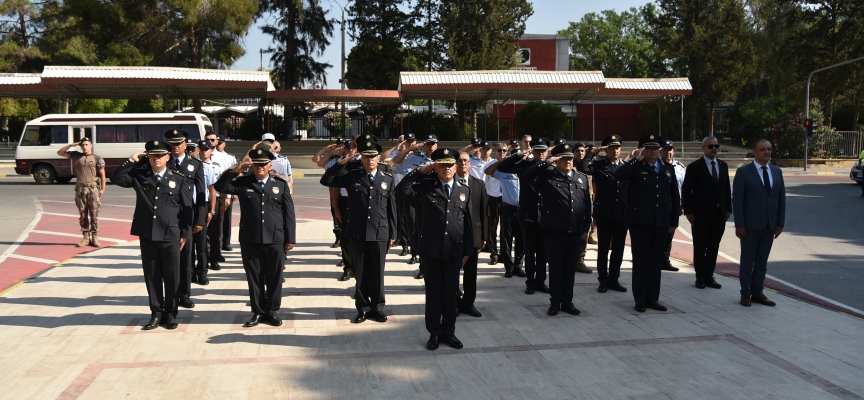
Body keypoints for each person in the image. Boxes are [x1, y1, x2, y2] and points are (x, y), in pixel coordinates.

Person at [111, 140, 193, 330]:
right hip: (147, 233)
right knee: (152, 275)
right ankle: (156, 313)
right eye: (152, 155)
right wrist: (131, 160)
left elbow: (187, 209)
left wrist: (185, 233)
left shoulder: (179, 178)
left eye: (160, 155)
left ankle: (171, 314)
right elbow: (116, 178)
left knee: (172, 276)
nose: (156, 158)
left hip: (171, 234)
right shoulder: (139, 176)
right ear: (147, 157)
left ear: (167, 157)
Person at [397, 148, 473, 351]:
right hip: (431, 250)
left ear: (455, 167)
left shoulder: (464, 190)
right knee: (433, 294)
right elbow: (401, 190)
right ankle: (434, 333)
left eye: (450, 165)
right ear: (436, 167)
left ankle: (449, 332)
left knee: (451, 294)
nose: (446, 168)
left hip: (454, 251)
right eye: (442, 164)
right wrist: (421, 171)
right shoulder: (424, 187)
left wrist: (467, 250)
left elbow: (468, 223)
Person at [214, 148, 296, 327]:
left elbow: (289, 214)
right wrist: (236, 170)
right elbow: (219, 186)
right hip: (250, 238)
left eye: (264, 164)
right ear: (253, 166)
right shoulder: (243, 182)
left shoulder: (280, 184)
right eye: (257, 164)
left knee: (274, 277)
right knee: (254, 277)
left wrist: (290, 238)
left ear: (270, 165)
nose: (260, 167)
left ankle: (272, 311)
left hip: (275, 238)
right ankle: (258, 312)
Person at [321, 140, 396, 323]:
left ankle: (377, 308)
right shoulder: (352, 175)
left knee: (378, 273)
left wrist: (393, 234)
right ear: (361, 158)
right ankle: (362, 308)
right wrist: (342, 162)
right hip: (357, 231)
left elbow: (392, 209)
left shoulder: (387, 178)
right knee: (361, 272)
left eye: (373, 156)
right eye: (367, 156)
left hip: (380, 232)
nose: (370, 160)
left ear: (379, 158)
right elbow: (326, 180)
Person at [523, 143, 591, 315]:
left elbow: (587, 205)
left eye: (569, 158)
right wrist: (547, 162)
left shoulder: (581, 178)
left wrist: (585, 227)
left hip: (575, 231)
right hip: (554, 231)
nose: (567, 161)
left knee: (569, 269)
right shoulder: (547, 175)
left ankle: (567, 301)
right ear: (556, 159)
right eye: (563, 158)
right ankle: (555, 302)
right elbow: (526, 176)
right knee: (555, 268)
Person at [615, 135, 680, 313]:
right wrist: (635, 159)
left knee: (655, 262)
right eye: (648, 148)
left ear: (660, 150)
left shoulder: (667, 169)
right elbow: (619, 175)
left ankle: (653, 298)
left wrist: (674, 220)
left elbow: (674, 196)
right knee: (641, 262)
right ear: (643, 150)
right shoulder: (637, 167)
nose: (653, 151)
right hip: (640, 223)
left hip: (661, 222)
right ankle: (640, 299)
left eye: (656, 148)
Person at [733, 139, 785, 307]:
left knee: (762, 262)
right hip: (749, 226)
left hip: (769, 226)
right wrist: (739, 224)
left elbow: (781, 199)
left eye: (769, 149)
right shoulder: (744, 173)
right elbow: (738, 201)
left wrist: (780, 223)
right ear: (754, 152)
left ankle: (758, 292)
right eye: (762, 149)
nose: (767, 152)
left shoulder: (777, 172)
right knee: (748, 261)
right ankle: (745, 293)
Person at [496, 137, 552, 294]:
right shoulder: (525, 166)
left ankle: (541, 281)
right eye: (537, 150)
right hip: (528, 214)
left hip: (546, 215)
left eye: (543, 150)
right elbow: (503, 167)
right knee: (529, 250)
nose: (540, 153)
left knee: (543, 251)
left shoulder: (551, 167)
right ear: (532, 151)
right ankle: (530, 282)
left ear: (548, 151)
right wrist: (519, 155)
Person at [578, 135, 629, 293]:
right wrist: (593, 151)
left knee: (618, 248)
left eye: (617, 147)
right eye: (612, 148)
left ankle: (614, 279)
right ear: (606, 149)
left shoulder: (626, 166)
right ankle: (603, 280)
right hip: (605, 213)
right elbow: (582, 167)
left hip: (622, 213)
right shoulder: (600, 165)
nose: (615, 150)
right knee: (604, 248)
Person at [681, 136, 731, 290]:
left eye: (716, 145)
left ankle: (709, 276)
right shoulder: (694, 167)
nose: (714, 149)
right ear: (703, 148)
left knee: (714, 246)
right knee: (700, 246)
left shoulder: (723, 166)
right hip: (700, 215)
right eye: (711, 146)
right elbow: (687, 191)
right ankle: (700, 277)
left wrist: (728, 209)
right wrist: (688, 212)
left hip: (719, 214)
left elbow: (726, 189)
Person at [164, 129, 207, 310]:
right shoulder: (163, 162)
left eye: (179, 143)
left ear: (185, 144)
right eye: (172, 143)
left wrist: (200, 219)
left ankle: (184, 294)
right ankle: (170, 295)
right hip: (167, 216)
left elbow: (202, 193)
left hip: (187, 216)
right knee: (169, 258)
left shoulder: (195, 164)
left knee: (186, 256)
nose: (176, 147)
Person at [393, 134, 438, 269]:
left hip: (433, 197)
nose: (431, 146)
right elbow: (396, 160)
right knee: (413, 226)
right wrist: (408, 149)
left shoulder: (441, 159)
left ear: (437, 145)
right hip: (414, 195)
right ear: (424, 146)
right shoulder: (415, 158)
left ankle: (429, 259)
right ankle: (414, 253)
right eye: (428, 144)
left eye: (433, 144)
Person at [56, 137, 106, 248]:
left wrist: (103, 189)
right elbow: (60, 153)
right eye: (83, 145)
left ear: (91, 145)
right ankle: (86, 237)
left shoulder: (97, 158)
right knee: (83, 214)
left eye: (87, 144)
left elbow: (102, 174)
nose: (84, 147)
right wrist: (71, 145)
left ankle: (95, 237)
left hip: (93, 188)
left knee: (94, 214)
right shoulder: (76, 155)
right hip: (80, 188)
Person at [454, 151, 487, 318]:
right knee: (453, 272)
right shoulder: (449, 182)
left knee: (471, 273)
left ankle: (468, 303)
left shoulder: (479, 184)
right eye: (459, 161)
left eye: (466, 161)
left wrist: (484, 236)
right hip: (453, 234)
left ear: (470, 163)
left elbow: (483, 211)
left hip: (473, 234)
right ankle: (453, 303)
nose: (463, 163)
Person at [484, 148, 526, 278]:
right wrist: (502, 161)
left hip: (523, 209)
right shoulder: (504, 170)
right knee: (506, 239)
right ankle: (509, 267)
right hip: (508, 208)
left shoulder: (526, 169)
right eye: (516, 157)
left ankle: (518, 266)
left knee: (522, 240)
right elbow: (488, 171)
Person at [193, 139, 218, 285]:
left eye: (205, 149)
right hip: (188, 206)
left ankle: (202, 272)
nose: (202, 151)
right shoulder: (189, 166)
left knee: (202, 243)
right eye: (200, 149)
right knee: (188, 242)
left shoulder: (207, 168)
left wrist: (212, 210)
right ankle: (189, 272)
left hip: (202, 205)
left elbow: (212, 190)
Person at [659, 140, 685, 272]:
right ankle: (656, 259)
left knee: (670, 232)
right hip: (660, 205)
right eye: (665, 149)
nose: (668, 152)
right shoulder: (657, 165)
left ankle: (665, 259)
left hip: (674, 205)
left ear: (673, 151)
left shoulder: (680, 167)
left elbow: (683, 188)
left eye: (670, 149)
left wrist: (682, 205)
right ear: (661, 151)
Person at [482, 142, 507, 265]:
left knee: (505, 229)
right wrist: (487, 202)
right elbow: (485, 185)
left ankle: (503, 253)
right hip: (493, 198)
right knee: (492, 228)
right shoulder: (490, 165)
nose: (501, 153)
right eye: (499, 150)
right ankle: (494, 254)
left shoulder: (511, 163)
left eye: (504, 150)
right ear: (495, 152)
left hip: (507, 199)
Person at [214, 136, 237, 253]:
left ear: (224, 144)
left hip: (227, 191)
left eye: (221, 143)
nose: (218, 145)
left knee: (227, 217)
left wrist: (233, 192)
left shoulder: (230, 158)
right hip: (216, 192)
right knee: (218, 219)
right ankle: (218, 242)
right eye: (217, 142)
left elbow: (235, 174)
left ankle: (226, 242)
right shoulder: (212, 156)